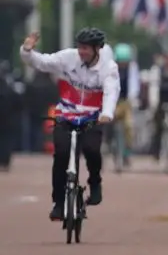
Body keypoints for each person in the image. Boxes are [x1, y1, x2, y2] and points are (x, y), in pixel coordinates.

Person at [19, 28, 119, 220]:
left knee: (91, 150)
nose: (82, 52)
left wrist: (106, 113)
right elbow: (42, 62)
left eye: (87, 49)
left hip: (93, 117)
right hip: (66, 115)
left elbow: (111, 91)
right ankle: (58, 202)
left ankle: (95, 182)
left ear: (97, 49)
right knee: (61, 155)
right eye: (80, 47)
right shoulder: (67, 58)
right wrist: (27, 50)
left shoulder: (109, 68)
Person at [110, 43, 140, 168]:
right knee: (107, 123)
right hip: (113, 101)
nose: (123, 64)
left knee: (129, 126)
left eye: (125, 61)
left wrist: (132, 99)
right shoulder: (111, 67)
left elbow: (134, 84)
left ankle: (127, 151)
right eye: (121, 61)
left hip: (126, 101)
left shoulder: (132, 68)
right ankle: (110, 144)